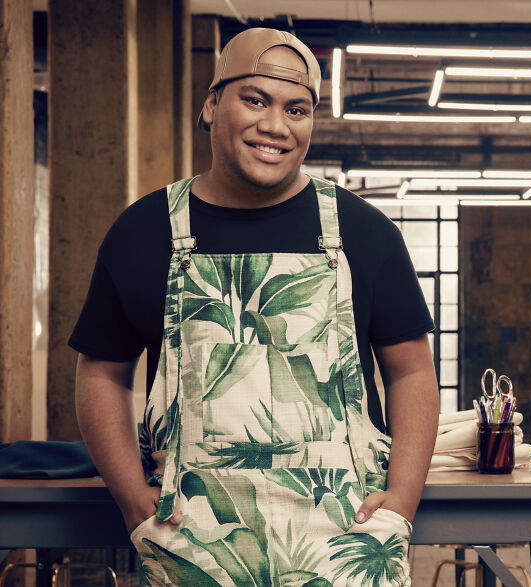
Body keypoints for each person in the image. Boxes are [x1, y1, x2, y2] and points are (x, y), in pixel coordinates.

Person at [71, 27, 439, 586]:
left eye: (297, 109)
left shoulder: (364, 233)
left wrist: (400, 506)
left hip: (346, 548)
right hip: (194, 546)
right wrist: (132, 500)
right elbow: (102, 372)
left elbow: (412, 370)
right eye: (255, 100)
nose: (276, 126)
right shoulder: (144, 232)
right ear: (212, 103)